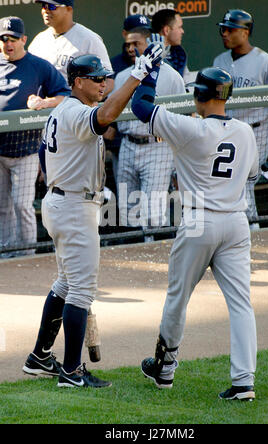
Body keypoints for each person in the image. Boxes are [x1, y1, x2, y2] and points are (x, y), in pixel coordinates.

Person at [23, 43, 163, 388]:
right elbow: (106, 117)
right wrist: (138, 75)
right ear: (77, 81)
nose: (103, 83)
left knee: (67, 284)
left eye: (105, 78)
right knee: (82, 290)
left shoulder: (65, 109)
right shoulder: (73, 112)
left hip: (64, 202)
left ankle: (40, 357)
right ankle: (71, 372)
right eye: (96, 78)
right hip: (72, 207)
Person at [131, 65, 259, 400]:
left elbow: (140, 106)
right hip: (235, 222)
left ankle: (166, 368)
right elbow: (252, 173)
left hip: (199, 221)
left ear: (200, 95)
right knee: (241, 304)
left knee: (178, 297)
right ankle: (244, 382)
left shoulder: (190, 127)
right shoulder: (245, 132)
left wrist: (148, 72)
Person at [213, 9, 268, 230]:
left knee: (243, 183)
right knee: (234, 185)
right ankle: (247, 228)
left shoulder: (266, 62)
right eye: (223, 29)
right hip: (228, 132)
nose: (225, 34)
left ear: (246, 32)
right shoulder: (219, 60)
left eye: (230, 29)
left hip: (257, 131)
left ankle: (250, 228)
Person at [0, 16, 70, 258]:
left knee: (22, 205)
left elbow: (65, 94)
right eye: (3, 39)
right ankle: (7, 253)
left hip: (27, 147)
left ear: (23, 40)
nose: (7, 43)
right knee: (2, 208)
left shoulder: (39, 66)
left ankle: (27, 255)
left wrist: (43, 102)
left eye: (12, 39)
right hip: (0, 150)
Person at [112, 28, 185, 241]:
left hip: (158, 146)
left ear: (151, 44)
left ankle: (159, 257)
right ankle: (137, 258)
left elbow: (183, 118)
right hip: (127, 144)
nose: (131, 49)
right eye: (128, 45)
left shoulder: (171, 76)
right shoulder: (123, 77)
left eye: (137, 43)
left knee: (153, 213)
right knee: (127, 210)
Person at [28, 0, 114, 98]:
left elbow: (108, 81)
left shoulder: (89, 39)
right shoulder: (38, 41)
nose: (46, 11)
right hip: (44, 108)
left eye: (52, 6)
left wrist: (86, 102)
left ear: (68, 9)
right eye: (44, 6)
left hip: (76, 106)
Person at [105, 14, 152, 189]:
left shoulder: (163, 68)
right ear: (125, 34)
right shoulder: (114, 67)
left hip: (154, 142)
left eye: (142, 34)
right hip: (123, 140)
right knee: (127, 199)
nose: (132, 48)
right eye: (133, 34)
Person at [151, 8, 189, 81]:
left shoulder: (179, 55)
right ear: (166, 30)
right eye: (180, 27)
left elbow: (186, 85)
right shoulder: (149, 54)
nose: (182, 31)